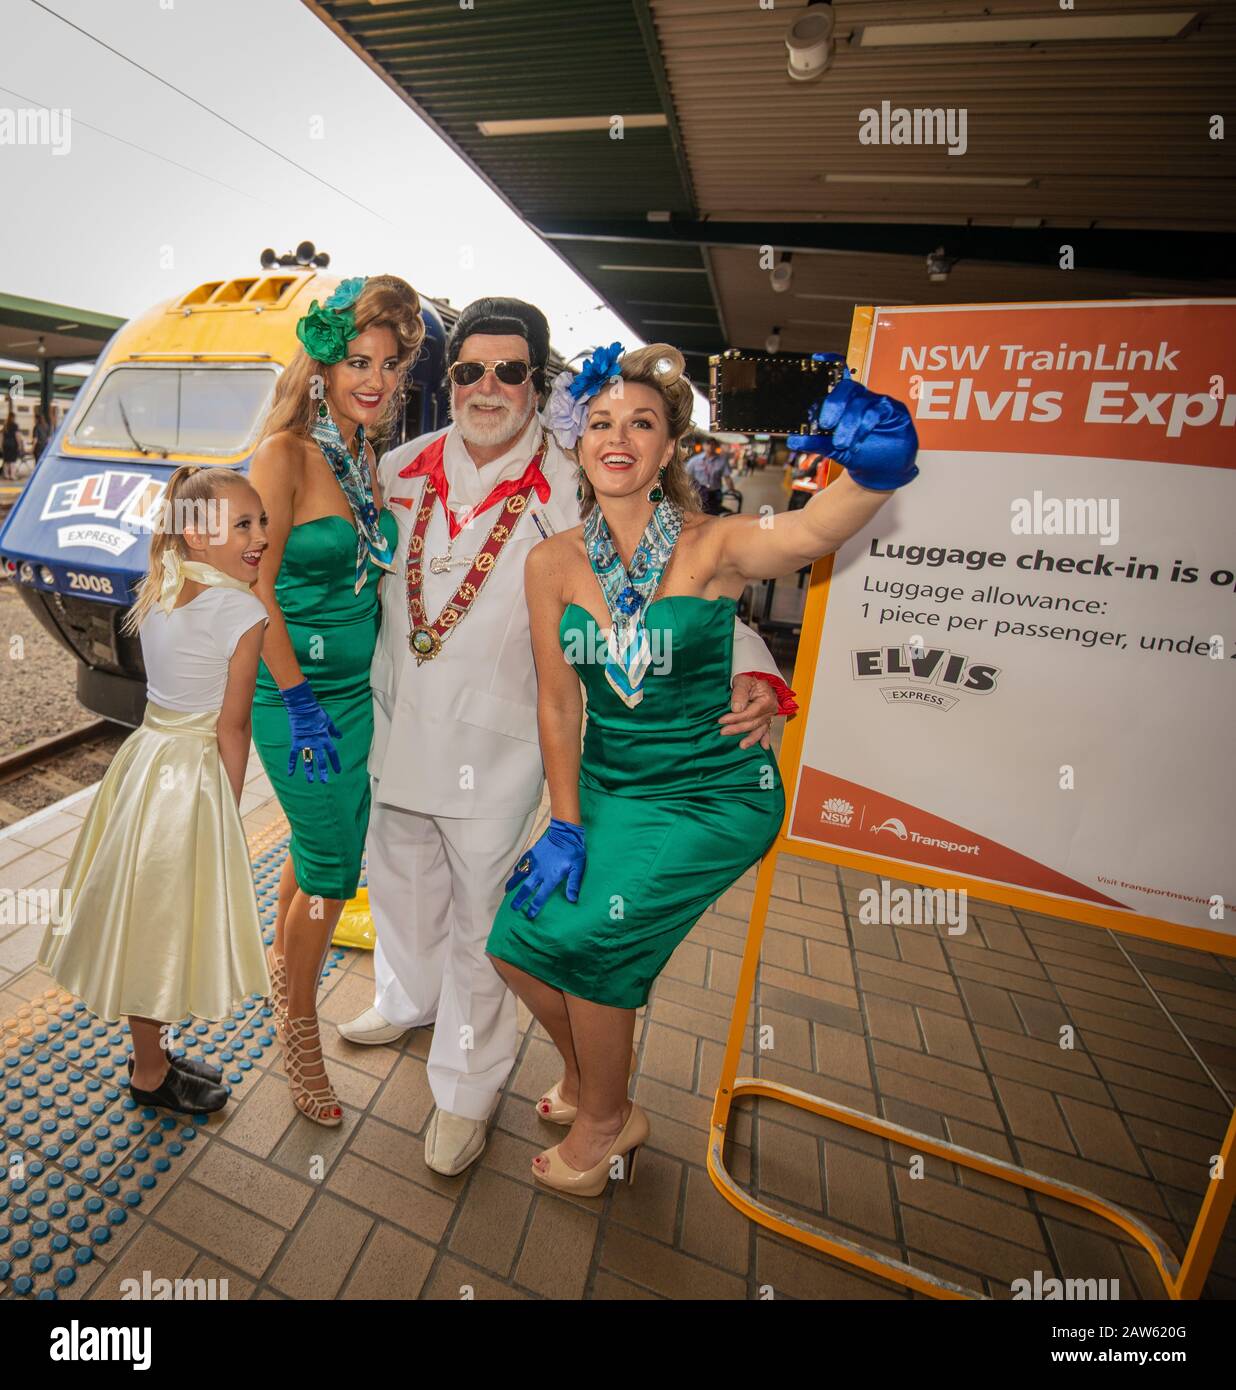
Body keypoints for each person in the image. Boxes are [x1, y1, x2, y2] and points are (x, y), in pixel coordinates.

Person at [339, 299, 791, 1176]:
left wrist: (751, 665)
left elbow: (678, 581)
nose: (488, 388)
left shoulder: (581, 475)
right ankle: (406, 995)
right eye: (469, 371)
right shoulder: (395, 468)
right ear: (451, 378)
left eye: (512, 371)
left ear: (539, 384)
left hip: (505, 745)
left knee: (484, 924)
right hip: (399, 727)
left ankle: (466, 1091)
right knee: (400, 883)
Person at [486, 343, 919, 1195]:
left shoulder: (714, 543)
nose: (619, 437)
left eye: (641, 423)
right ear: (576, 442)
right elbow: (558, 704)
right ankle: (589, 1079)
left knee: (589, 945)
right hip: (609, 791)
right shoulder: (551, 563)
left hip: (711, 793)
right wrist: (565, 822)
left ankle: (611, 1119)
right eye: (601, 422)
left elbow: (806, 532)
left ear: (669, 447)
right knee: (514, 947)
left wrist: (872, 473)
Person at [38, 465, 271, 1114]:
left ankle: (153, 1053)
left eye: (262, 523)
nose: (259, 538)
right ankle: (148, 1074)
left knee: (147, 919)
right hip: (192, 781)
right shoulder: (244, 610)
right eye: (243, 525)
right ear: (198, 537)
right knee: (164, 925)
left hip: (145, 765)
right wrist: (226, 810)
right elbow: (234, 725)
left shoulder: (163, 581)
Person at [247, 274, 423, 1126]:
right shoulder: (285, 455)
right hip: (297, 700)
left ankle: (285, 967)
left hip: (354, 699)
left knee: (322, 848)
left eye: (391, 365)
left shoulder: (362, 459)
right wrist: (298, 699)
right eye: (358, 359)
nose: (376, 380)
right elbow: (257, 590)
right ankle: (301, 1034)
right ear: (321, 364)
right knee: (329, 867)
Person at [686, 437, 732, 514]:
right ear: (703, 446)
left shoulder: (722, 460)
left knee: (714, 514)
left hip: (715, 493)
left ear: (716, 446)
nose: (710, 446)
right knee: (699, 513)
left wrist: (732, 489)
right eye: (708, 444)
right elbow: (688, 477)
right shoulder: (694, 460)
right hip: (699, 493)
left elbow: (727, 477)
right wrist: (687, 491)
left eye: (713, 444)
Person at [1, 414, 21, 479]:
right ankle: (12, 475)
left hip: (5, 445)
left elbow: (2, 436)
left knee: (6, 461)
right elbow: (17, 435)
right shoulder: (15, 425)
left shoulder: (5, 425)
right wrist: (19, 444)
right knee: (12, 461)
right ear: (13, 418)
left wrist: (1, 445)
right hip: (13, 445)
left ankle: (6, 475)